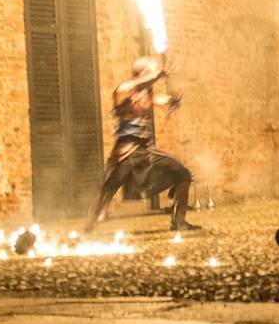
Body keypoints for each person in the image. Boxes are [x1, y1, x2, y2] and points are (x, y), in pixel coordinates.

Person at [84, 56, 200, 233]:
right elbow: (139, 85)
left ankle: (179, 221)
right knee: (108, 188)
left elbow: (161, 101)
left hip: (144, 151)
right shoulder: (123, 89)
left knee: (183, 174)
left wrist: (174, 100)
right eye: (151, 71)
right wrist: (160, 73)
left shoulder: (146, 94)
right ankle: (89, 227)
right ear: (143, 73)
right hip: (125, 151)